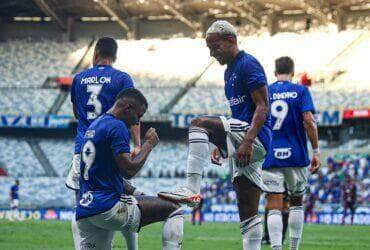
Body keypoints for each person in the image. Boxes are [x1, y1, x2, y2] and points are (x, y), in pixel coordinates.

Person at [159, 20, 271, 250]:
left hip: (256, 138)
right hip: (243, 137)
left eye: (215, 47)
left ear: (231, 41)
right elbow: (236, 114)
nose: (212, 53)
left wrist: (247, 141)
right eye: (209, 48)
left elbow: (263, 106)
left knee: (198, 124)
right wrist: (221, 144)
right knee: (247, 207)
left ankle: (191, 188)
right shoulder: (229, 72)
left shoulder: (248, 64)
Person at [76, 88, 184, 250]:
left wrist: (140, 194)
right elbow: (129, 170)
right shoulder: (117, 126)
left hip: (85, 208)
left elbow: (107, 174)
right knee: (175, 210)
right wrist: (148, 144)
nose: (136, 122)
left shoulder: (96, 125)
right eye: (138, 116)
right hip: (108, 207)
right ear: (128, 108)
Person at [65, 37, 142, 250]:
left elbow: (76, 113)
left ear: (96, 53)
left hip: (84, 149)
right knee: (120, 198)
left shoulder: (79, 78)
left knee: (82, 204)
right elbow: (133, 112)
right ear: (114, 56)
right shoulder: (121, 79)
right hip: (112, 150)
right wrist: (137, 143)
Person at [262, 56, 320, 250]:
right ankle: (293, 248)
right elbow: (309, 120)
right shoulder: (301, 91)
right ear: (293, 72)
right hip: (296, 155)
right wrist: (316, 150)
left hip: (270, 155)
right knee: (296, 203)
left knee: (273, 204)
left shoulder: (266, 92)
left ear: (274, 72)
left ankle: (276, 247)